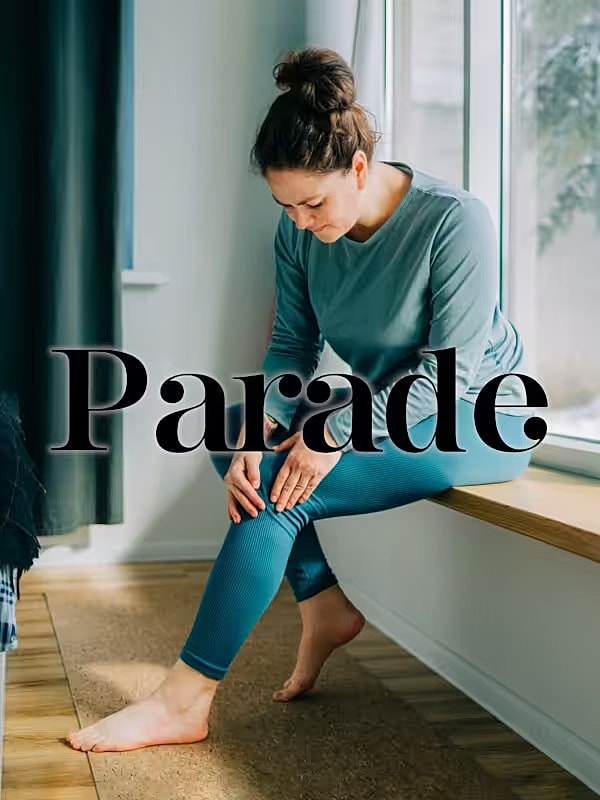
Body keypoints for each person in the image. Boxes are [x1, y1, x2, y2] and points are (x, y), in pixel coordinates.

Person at [66, 46, 536, 753]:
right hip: (395, 407)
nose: (301, 220)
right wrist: (262, 429)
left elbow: (453, 378)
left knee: (288, 491)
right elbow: (291, 347)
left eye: (313, 202)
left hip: (478, 417)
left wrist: (331, 434)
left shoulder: (453, 221)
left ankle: (182, 703)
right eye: (285, 205)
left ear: (356, 167)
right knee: (235, 433)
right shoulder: (299, 231)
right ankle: (321, 602)